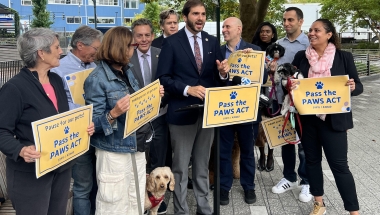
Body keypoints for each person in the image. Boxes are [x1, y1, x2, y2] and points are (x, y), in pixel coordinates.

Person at [0, 28, 94, 215]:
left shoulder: (57, 80)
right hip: (30, 175)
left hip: (60, 167)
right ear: (41, 53)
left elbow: (63, 119)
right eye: (57, 47)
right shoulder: (14, 88)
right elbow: (2, 131)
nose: (62, 51)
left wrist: (81, 127)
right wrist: (20, 150)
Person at [155, 0, 229, 214]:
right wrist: (188, 89)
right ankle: (181, 210)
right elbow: (163, 78)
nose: (200, 18)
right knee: (180, 168)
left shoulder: (212, 41)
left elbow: (217, 77)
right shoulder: (171, 42)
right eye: (196, 13)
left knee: (202, 165)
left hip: (207, 113)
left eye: (204, 14)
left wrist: (223, 73)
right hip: (181, 114)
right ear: (185, 16)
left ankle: (204, 208)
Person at [83, 26, 164, 215]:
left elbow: (136, 106)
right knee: (113, 203)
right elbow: (92, 124)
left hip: (136, 144)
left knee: (135, 198)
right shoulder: (96, 79)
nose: (134, 49)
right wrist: (114, 113)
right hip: (114, 150)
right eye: (131, 45)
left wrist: (154, 97)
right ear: (119, 47)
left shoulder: (126, 70)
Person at [291, 19, 362, 215]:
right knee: (312, 162)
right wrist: (290, 85)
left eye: (317, 30)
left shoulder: (343, 57)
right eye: (310, 30)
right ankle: (319, 203)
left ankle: (353, 211)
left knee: (340, 166)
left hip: (334, 122)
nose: (311, 33)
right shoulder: (301, 57)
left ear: (329, 34)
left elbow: (358, 86)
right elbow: (289, 83)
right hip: (308, 120)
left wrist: (353, 87)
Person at [51, 25, 102, 215]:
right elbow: (58, 104)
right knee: (83, 186)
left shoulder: (95, 66)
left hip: (98, 131)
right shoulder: (59, 69)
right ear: (80, 45)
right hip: (77, 134)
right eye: (95, 48)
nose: (97, 53)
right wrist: (86, 111)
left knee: (100, 182)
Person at [219, 16, 268, 205]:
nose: (224, 30)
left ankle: (249, 186)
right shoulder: (218, 51)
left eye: (227, 26)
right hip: (225, 109)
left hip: (248, 109)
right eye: (223, 26)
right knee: (224, 150)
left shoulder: (254, 50)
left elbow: (262, 78)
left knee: (247, 150)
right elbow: (215, 79)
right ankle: (224, 186)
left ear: (239, 29)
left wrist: (254, 62)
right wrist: (222, 73)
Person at [270, 7, 313, 203]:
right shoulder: (277, 44)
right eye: (284, 20)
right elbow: (271, 70)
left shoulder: (309, 43)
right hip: (282, 101)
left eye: (290, 20)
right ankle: (289, 177)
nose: (286, 23)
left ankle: (306, 180)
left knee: (305, 144)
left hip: (304, 103)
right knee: (286, 140)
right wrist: (270, 68)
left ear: (300, 21)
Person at [129, 18, 168, 215]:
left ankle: (157, 200)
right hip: (135, 120)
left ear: (153, 36)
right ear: (133, 37)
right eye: (139, 35)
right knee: (138, 161)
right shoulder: (126, 57)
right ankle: (139, 197)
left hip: (159, 117)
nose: (143, 39)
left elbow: (170, 82)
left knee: (158, 157)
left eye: (147, 35)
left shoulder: (162, 55)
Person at [252, 21, 278, 172]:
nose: (264, 34)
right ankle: (261, 153)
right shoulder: (253, 49)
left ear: (273, 34)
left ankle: (271, 154)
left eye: (268, 31)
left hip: (274, 92)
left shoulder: (278, 49)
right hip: (258, 91)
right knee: (259, 123)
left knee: (273, 123)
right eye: (262, 31)